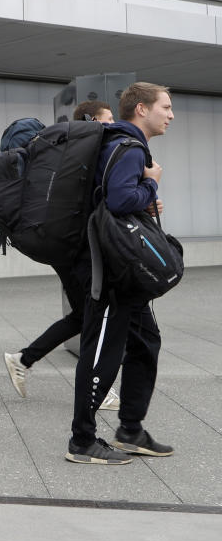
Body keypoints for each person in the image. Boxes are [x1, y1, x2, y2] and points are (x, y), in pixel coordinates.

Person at [65, 82, 174, 465]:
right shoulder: (127, 147)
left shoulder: (121, 145)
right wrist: (150, 183)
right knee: (101, 353)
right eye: (165, 106)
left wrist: (144, 193)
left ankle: (130, 428)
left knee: (146, 341)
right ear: (141, 109)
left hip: (123, 270)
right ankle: (82, 440)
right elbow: (120, 199)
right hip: (112, 270)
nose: (171, 115)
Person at [4, 100, 119, 411]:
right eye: (108, 118)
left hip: (60, 241)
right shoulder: (87, 149)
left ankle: (24, 359)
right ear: (94, 119)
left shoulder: (70, 150)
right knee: (96, 313)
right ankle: (98, 388)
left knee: (84, 314)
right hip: (75, 246)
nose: (112, 123)